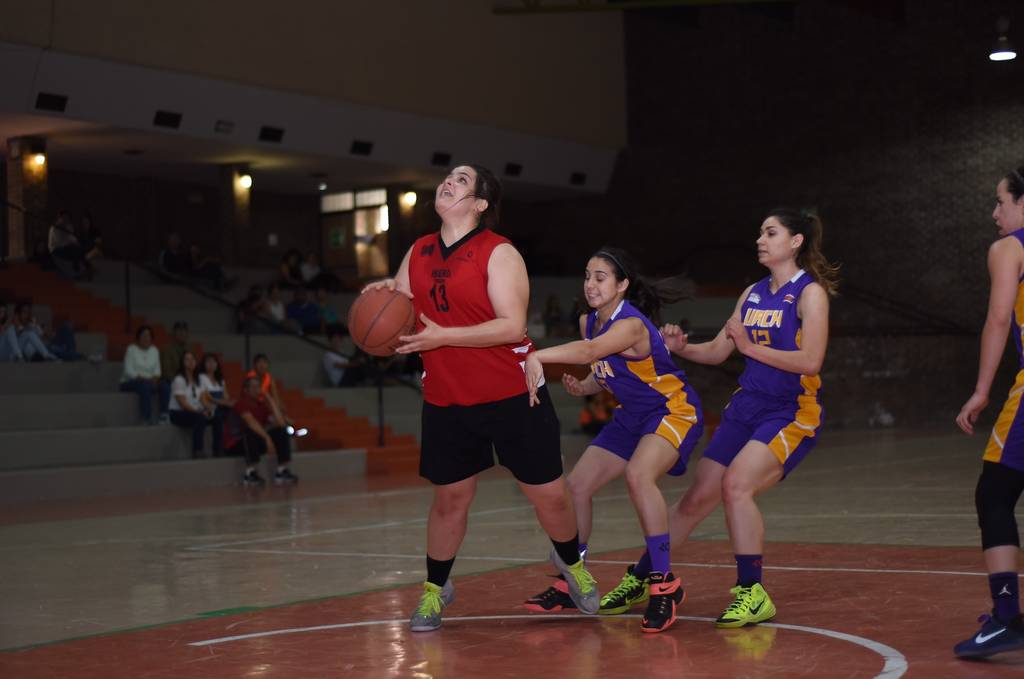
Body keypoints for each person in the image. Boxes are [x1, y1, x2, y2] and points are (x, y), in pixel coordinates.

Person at [365, 163, 600, 632]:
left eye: (462, 180)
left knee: (550, 497)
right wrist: (385, 298)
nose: (448, 182)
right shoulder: (418, 250)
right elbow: (402, 311)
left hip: (513, 393)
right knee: (450, 499)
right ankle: (436, 589)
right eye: (448, 176)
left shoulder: (499, 253)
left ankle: (572, 563)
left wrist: (442, 337)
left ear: (479, 204)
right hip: (448, 397)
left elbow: (512, 326)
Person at [598, 208, 836, 629]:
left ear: (796, 241)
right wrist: (682, 348)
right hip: (746, 407)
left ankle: (752, 591)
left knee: (736, 484)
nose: (760, 239)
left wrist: (750, 347)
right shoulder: (752, 293)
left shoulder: (809, 294)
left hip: (790, 409)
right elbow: (718, 350)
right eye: (760, 232)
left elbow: (811, 360)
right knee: (696, 498)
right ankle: (644, 577)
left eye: (771, 232)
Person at [520, 247, 702, 633]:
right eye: (587, 276)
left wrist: (536, 357)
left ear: (622, 285)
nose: (590, 284)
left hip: (671, 409)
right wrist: (585, 386)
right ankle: (572, 579)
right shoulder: (589, 322)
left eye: (600, 277)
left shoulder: (631, 325)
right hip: (631, 416)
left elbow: (590, 351)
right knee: (577, 486)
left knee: (639, 475)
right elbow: (605, 369)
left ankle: (663, 585)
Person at [954, 166, 1024, 659]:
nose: (995, 212)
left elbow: (999, 318)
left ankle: (1006, 618)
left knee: (994, 493)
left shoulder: (1008, 248)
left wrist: (981, 391)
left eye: (1001, 201)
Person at [224, 375, 298, 486]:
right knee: (250, 432)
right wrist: (267, 438)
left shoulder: (261, 405)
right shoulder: (240, 403)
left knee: (281, 431)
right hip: (235, 443)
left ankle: (281, 470)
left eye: (258, 387)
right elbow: (251, 423)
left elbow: (280, 423)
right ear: (246, 390)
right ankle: (250, 473)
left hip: (256, 441)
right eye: (253, 387)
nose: (257, 390)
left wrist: (269, 398)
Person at [168, 351, 216, 457]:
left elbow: (203, 399)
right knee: (199, 418)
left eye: (193, 359)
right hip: (178, 413)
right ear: (182, 363)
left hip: (195, 411)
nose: (190, 362)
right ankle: (198, 450)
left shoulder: (198, 379)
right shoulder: (179, 379)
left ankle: (218, 450)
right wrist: (200, 412)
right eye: (187, 359)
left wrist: (209, 409)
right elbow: (183, 404)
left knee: (217, 417)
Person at [119, 325, 169, 424]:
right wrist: (146, 380)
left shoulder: (154, 350)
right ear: (138, 337)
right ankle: (146, 418)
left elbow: (157, 371)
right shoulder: (131, 349)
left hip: (150, 381)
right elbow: (129, 371)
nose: (146, 338)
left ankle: (164, 415)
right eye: (144, 335)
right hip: (130, 381)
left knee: (165, 385)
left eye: (149, 336)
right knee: (145, 387)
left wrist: (154, 379)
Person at [199, 353, 233, 456]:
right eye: (208, 361)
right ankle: (218, 449)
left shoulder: (220, 380)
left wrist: (225, 402)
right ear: (204, 364)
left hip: (220, 405)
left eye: (214, 362)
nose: (211, 364)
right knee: (218, 417)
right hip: (208, 407)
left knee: (233, 413)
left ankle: (231, 446)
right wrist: (220, 401)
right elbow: (207, 397)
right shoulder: (201, 377)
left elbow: (226, 396)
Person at [160, 321, 197, 412]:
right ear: (174, 333)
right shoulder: (167, 348)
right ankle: (165, 413)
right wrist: (179, 380)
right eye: (179, 331)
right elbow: (166, 370)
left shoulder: (190, 348)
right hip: (172, 379)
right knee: (164, 385)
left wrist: (190, 379)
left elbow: (194, 366)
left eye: (184, 331)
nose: (182, 334)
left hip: (188, 378)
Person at [47, 211, 89, 278]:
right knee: (75, 249)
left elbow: (73, 238)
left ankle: (82, 268)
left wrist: (74, 241)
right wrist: (71, 242)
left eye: (67, 218)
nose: (65, 220)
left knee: (79, 249)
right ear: (59, 218)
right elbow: (59, 242)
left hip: (67, 248)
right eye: (63, 218)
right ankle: (78, 268)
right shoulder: (54, 228)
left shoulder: (68, 226)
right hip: (56, 250)